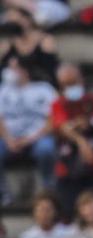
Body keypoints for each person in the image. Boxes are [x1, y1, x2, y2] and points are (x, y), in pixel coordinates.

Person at [49, 63, 93, 220]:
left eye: (72, 82)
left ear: (81, 80)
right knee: (68, 214)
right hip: (68, 168)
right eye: (65, 84)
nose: (70, 87)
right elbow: (62, 127)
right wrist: (81, 141)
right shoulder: (58, 104)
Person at [0, 58, 55, 201]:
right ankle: (3, 192)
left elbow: (52, 119)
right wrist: (9, 140)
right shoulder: (3, 91)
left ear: (24, 71)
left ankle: (48, 188)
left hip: (37, 138)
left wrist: (29, 139)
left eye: (13, 68)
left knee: (46, 149)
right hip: (9, 140)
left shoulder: (44, 89)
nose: (9, 72)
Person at [0, 6, 57, 87]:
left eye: (18, 20)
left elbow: (51, 67)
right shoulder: (10, 42)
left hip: (39, 85)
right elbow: (3, 65)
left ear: (27, 19)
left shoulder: (44, 39)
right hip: (14, 86)